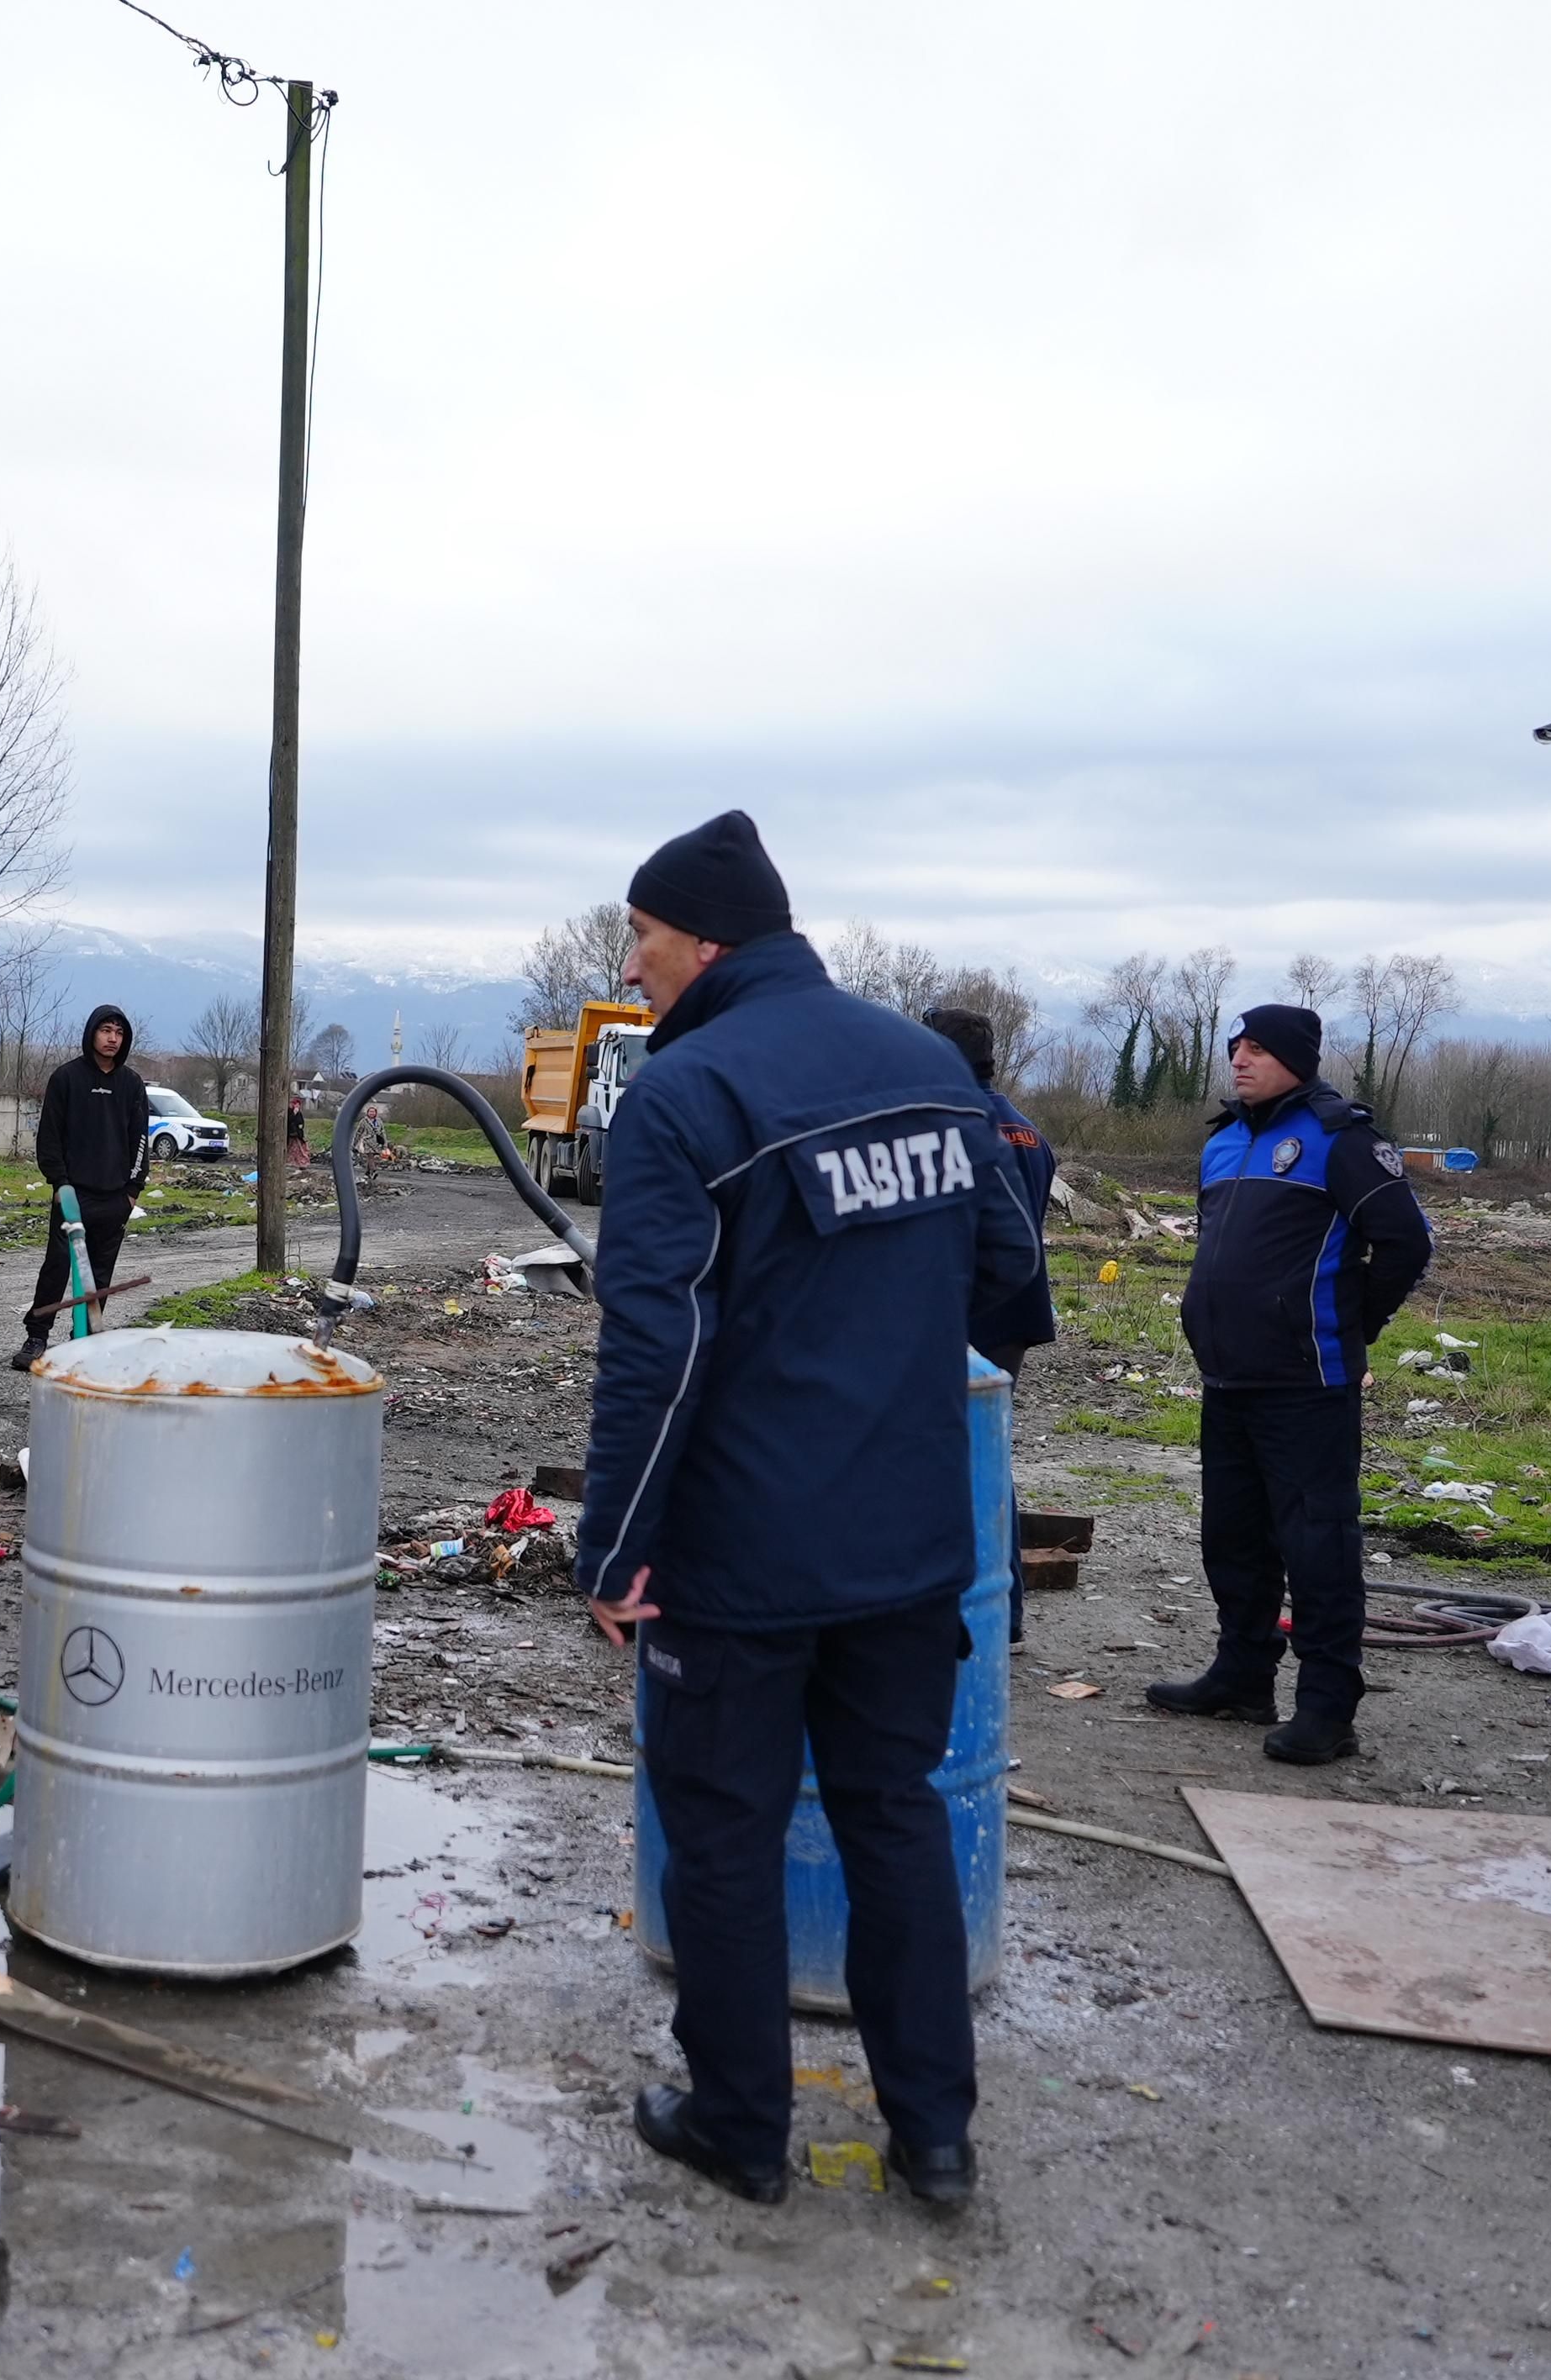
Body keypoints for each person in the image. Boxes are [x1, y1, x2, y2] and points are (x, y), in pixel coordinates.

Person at [577, 812, 1040, 2215]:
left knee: (721, 1827)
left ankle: (739, 2124)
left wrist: (612, 1546)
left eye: (644, 940)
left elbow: (653, 1353)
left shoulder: (686, 1094)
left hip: (744, 1555)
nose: (635, 966)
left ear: (705, 938)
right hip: (907, 1543)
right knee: (891, 1815)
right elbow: (1013, 1285)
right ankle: (936, 2139)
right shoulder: (931, 1071)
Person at [1150, 1003, 1432, 1765]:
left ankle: (1328, 1708)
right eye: (1235, 1046)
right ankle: (1242, 1677)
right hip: (1228, 1376)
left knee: (1318, 1545)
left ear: (1297, 1060)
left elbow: (1404, 1244)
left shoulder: (1341, 1139)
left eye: (1258, 1049)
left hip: (1308, 1382)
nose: (1240, 1059)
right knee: (1232, 1539)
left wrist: (1349, 1326)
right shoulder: (1224, 1143)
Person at [924, 1004, 1056, 1645]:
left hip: (965, 1312)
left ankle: (982, 1613)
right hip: (1017, 1312)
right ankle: (1003, 1613)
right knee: (987, 1453)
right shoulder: (1029, 1131)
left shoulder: (953, 1123)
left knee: (958, 1458)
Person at [14, 1004, 151, 1372]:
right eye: (106, 1030)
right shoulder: (66, 1078)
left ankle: (84, 1340)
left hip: (115, 1196)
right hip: (72, 1194)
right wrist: (59, 1183)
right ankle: (37, 1336)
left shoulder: (132, 1085)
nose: (112, 1038)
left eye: (119, 1033)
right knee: (58, 1266)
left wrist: (132, 1190)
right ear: (92, 1032)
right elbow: (50, 1137)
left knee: (100, 1271)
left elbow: (140, 1139)